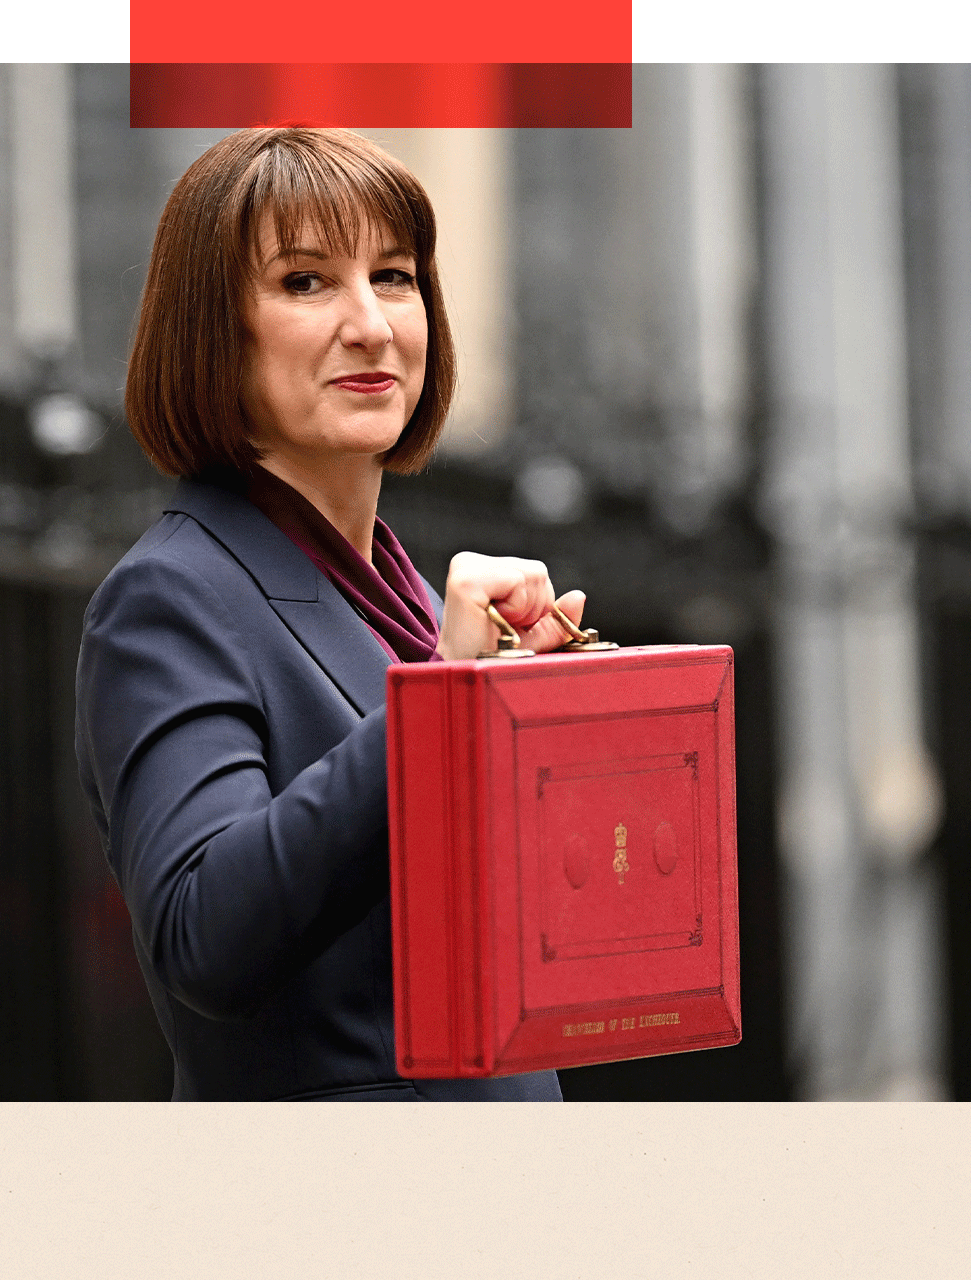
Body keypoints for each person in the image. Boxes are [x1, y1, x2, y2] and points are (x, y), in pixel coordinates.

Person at [75, 127, 589, 1100]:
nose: (372, 324)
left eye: (393, 276)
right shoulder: (169, 599)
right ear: (211, 328)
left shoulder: (412, 600)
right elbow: (206, 933)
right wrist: (443, 707)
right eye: (305, 282)